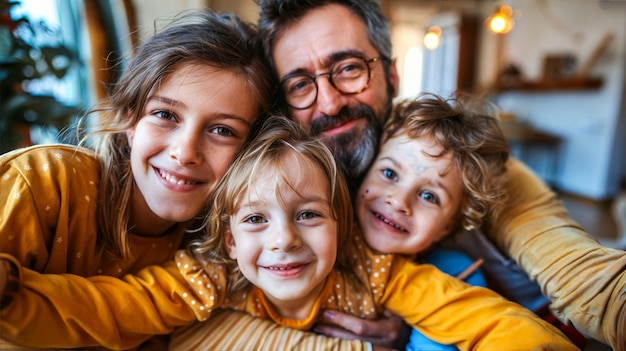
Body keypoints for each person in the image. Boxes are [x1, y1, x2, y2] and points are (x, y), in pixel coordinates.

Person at [172, 0, 625, 350]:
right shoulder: (268, 183)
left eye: (348, 68)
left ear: (391, 73)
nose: (329, 103)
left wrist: (410, 332)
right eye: (300, 83)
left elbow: (587, 283)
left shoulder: (477, 168)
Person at [0, 114, 579, 351]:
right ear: (228, 239)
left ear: (340, 219)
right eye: (255, 219)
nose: (282, 240)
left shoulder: (375, 269)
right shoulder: (211, 274)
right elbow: (110, 307)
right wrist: (13, 297)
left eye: (308, 214)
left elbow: (485, 317)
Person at [0, 9, 273, 349]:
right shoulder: (43, 181)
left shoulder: (216, 248)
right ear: (130, 120)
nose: (185, 152)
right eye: (165, 114)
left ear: (253, 152)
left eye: (222, 130)